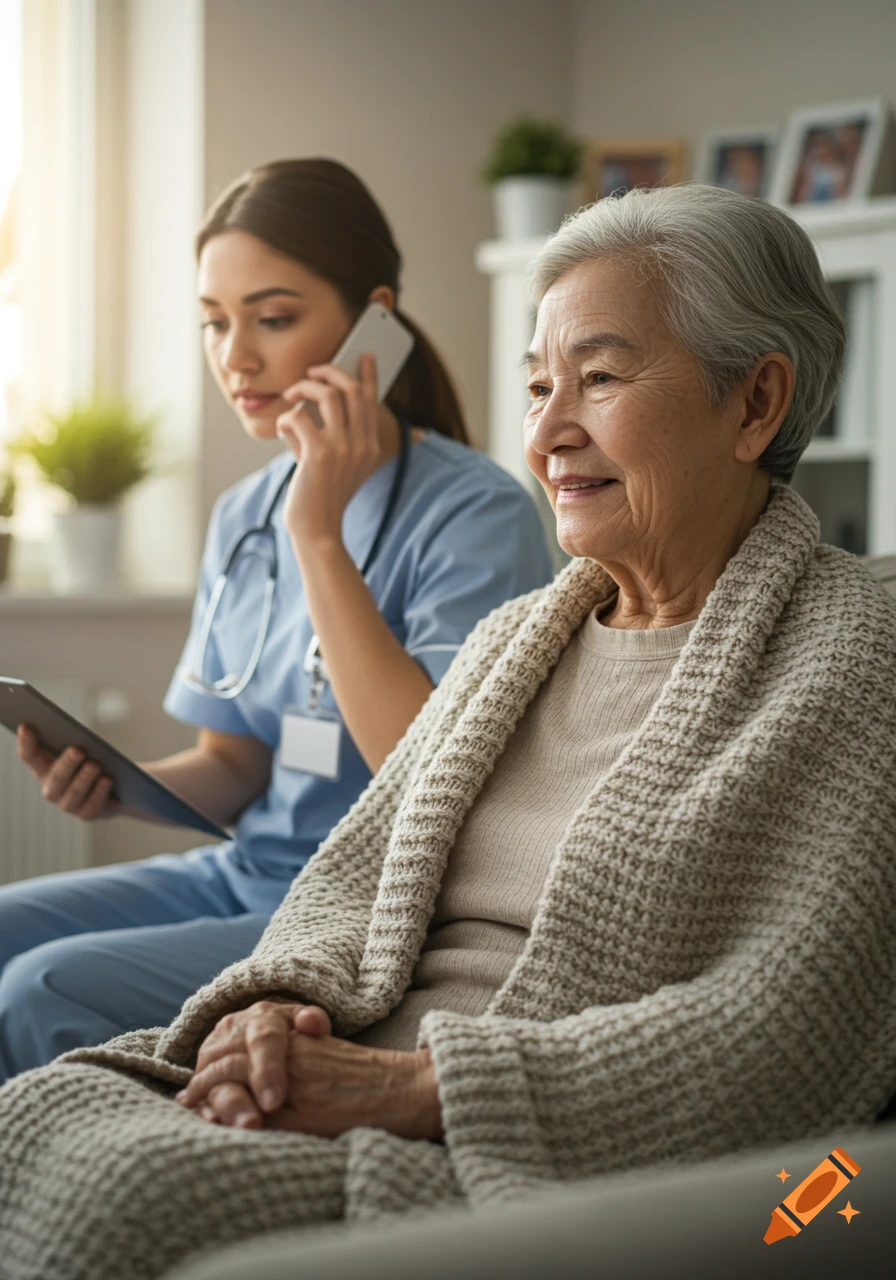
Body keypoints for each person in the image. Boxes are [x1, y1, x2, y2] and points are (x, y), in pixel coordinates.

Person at [2, 183, 894, 1280]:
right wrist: (271, 1015)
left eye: (599, 378)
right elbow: (348, 882)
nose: (547, 431)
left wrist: (413, 1088)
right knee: (39, 1111)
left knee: (131, 1191)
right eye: (535, 385)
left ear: (754, 402)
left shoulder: (857, 652)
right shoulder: (518, 638)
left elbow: (787, 1027)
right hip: (354, 1053)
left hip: (497, 1120)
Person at [0, 158, 553, 1084]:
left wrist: (319, 533)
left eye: (273, 317)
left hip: (372, 907)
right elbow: (234, 766)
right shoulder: (243, 512)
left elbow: (429, 781)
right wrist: (117, 782)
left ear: (373, 320)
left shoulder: (476, 514)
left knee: (41, 988)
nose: (236, 357)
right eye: (215, 323)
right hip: (248, 873)